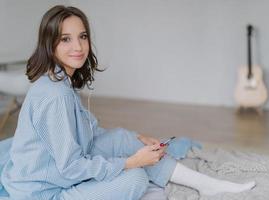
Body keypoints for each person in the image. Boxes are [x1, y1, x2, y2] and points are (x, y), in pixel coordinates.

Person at [0, 5, 255, 200]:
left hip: (55, 170)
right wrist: (130, 162)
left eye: (83, 36)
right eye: (65, 39)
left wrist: (137, 139)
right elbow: (71, 168)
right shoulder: (56, 95)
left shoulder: (57, 80)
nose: (78, 46)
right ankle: (154, 176)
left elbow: (78, 135)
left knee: (122, 138)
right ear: (50, 43)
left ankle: (204, 184)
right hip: (44, 192)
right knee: (133, 179)